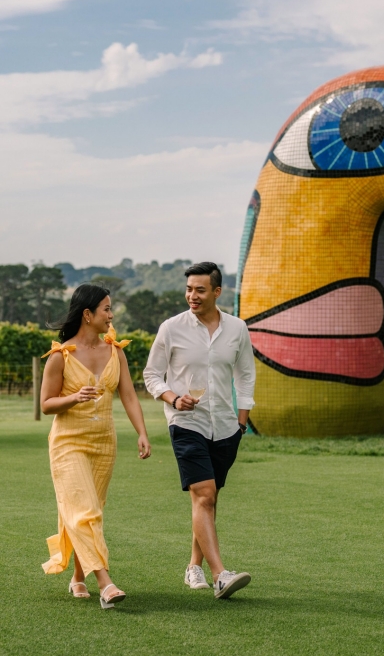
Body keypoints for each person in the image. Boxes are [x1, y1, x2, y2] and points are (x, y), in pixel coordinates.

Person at [143, 261, 255, 599]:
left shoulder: (237, 329)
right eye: (189, 289)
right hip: (185, 423)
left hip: (225, 425)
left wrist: (242, 420)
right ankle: (221, 575)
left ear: (217, 292)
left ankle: (194, 566)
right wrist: (173, 399)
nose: (192, 295)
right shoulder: (171, 328)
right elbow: (151, 375)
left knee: (207, 498)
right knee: (204, 494)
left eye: (200, 289)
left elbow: (245, 374)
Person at [40, 283, 152, 609]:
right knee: (84, 511)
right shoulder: (60, 357)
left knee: (90, 513)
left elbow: (129, 394)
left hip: (104, 443)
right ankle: (106, 584)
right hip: (67, 443)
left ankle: (78, 577)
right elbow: (46, 404)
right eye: (106, 308)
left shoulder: (115, 350)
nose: (111, 314)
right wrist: (74, 398)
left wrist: (142, 432)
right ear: (87, 314)